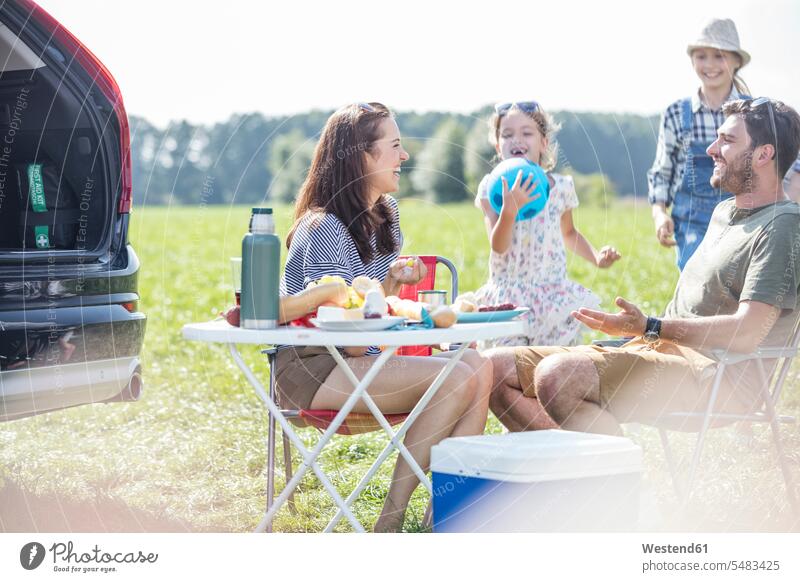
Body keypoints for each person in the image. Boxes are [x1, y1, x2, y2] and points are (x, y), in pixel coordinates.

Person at [488, 98, 800, 436]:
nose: (712, 149)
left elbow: (748, 332)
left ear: (764, 154)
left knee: (556, 376)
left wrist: (651, 326)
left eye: (727, 140)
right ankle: (572, 471)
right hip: (657, 351)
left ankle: (617, 483)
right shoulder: (725, 212)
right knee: (495, 369)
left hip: (715, 377)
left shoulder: (783, 225)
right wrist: (646, 332)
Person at [277, 102, 493, 532]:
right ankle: (390, 521)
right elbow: (349, 339)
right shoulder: (323, 228)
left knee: (478, 366)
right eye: (394, 146)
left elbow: (371, 317)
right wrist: (384, 301)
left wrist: (391, 284)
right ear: (361, 155)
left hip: (360, 360)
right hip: (313, 368)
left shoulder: (386, 216)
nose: (405, 156)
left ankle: (445, 516)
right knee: (456, 376)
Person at [473, 101, 620, 349]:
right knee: (509, 366)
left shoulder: (561, 187)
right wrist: (508, 212)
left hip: (552, 298)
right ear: (498, 146)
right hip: (510, 298)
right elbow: (498, 247)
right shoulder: (492, 188)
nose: (516, 140)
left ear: (544, 143)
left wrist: (596, 257)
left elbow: (569, 232)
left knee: (554, 364)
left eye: (526, 133)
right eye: (507, 135)